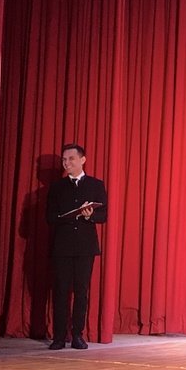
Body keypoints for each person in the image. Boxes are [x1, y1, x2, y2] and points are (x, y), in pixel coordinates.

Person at [45, 143, 107, 350]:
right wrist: (66, 216)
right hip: (62, 246)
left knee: (81, 291)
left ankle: (77, 335)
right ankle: (59, 337)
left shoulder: (96, 185)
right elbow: (49, 217)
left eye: (71, 159)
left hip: (85, 246)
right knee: (61, 291)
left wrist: (89, 216)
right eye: (64, 160)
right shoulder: (57, 187)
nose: (66, 163)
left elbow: (103, 215)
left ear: (82, 160)